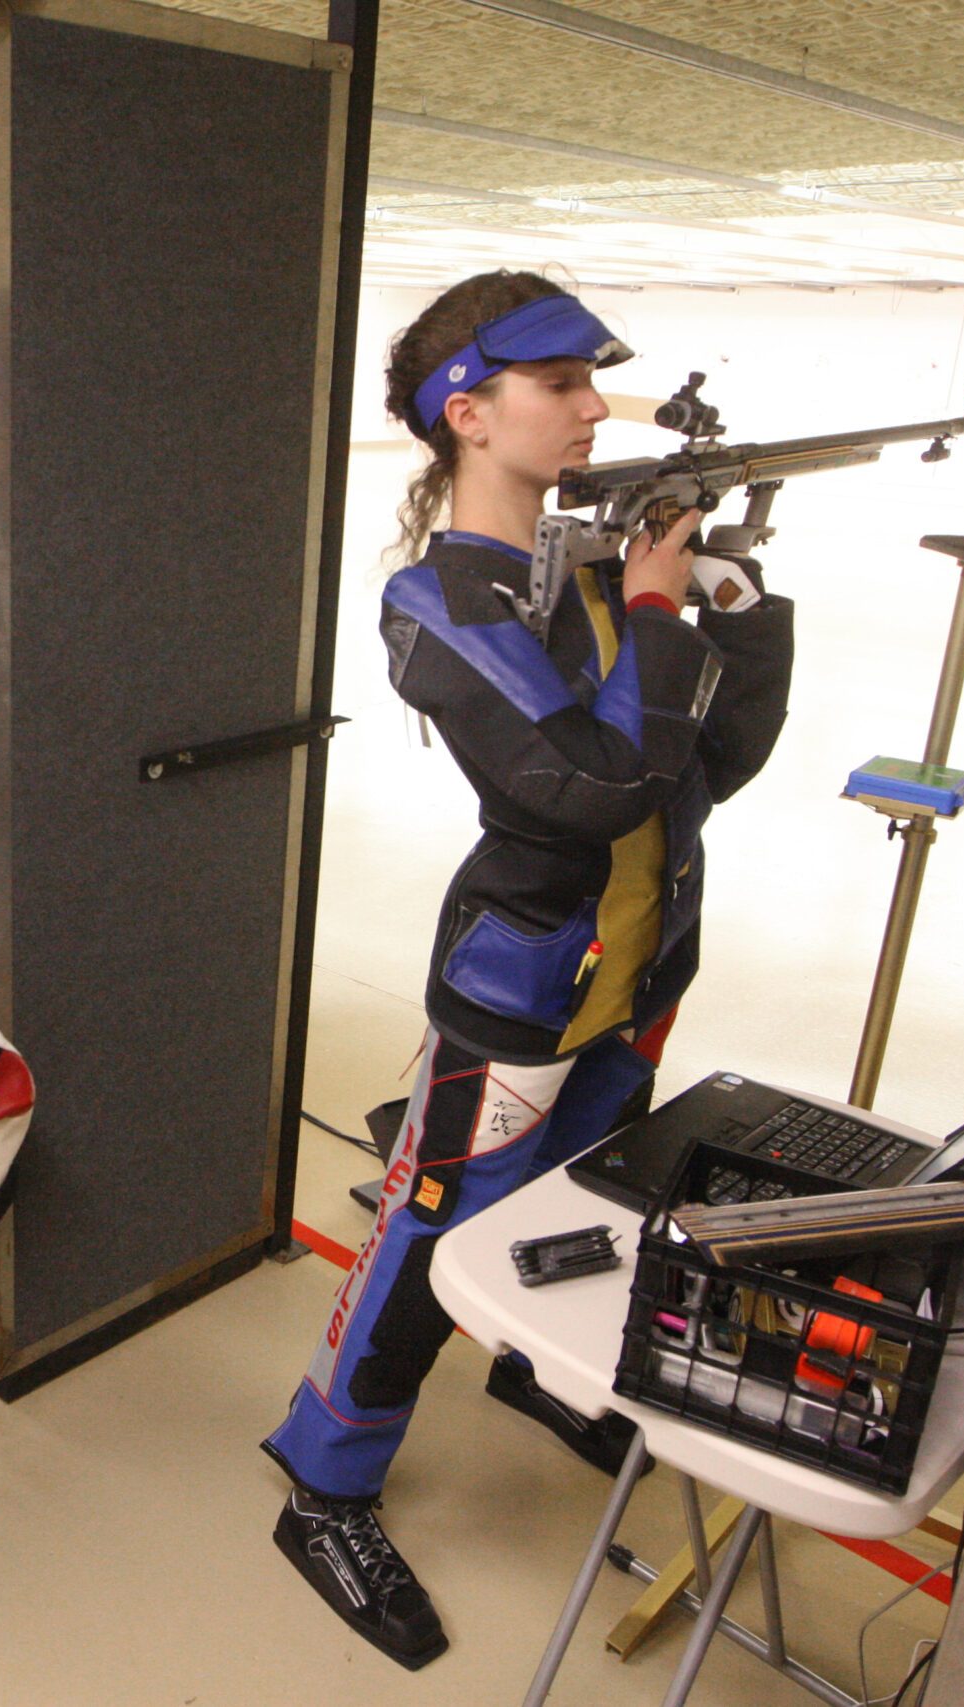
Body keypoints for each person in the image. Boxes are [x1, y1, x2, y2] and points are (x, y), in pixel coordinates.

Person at [260, 271, 795, 1669]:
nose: (592, 408)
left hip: (637, 968)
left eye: (590, 385)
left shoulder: (601, 579)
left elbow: (709, 765)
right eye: (561, 385)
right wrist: (668, 615)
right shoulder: (438, 599)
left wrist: (736, 606)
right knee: (433, 1224)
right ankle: (326, 1476)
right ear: (469, 409)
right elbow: (580, 783)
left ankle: (532, 1360)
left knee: (588, 1196)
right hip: (522, 989)